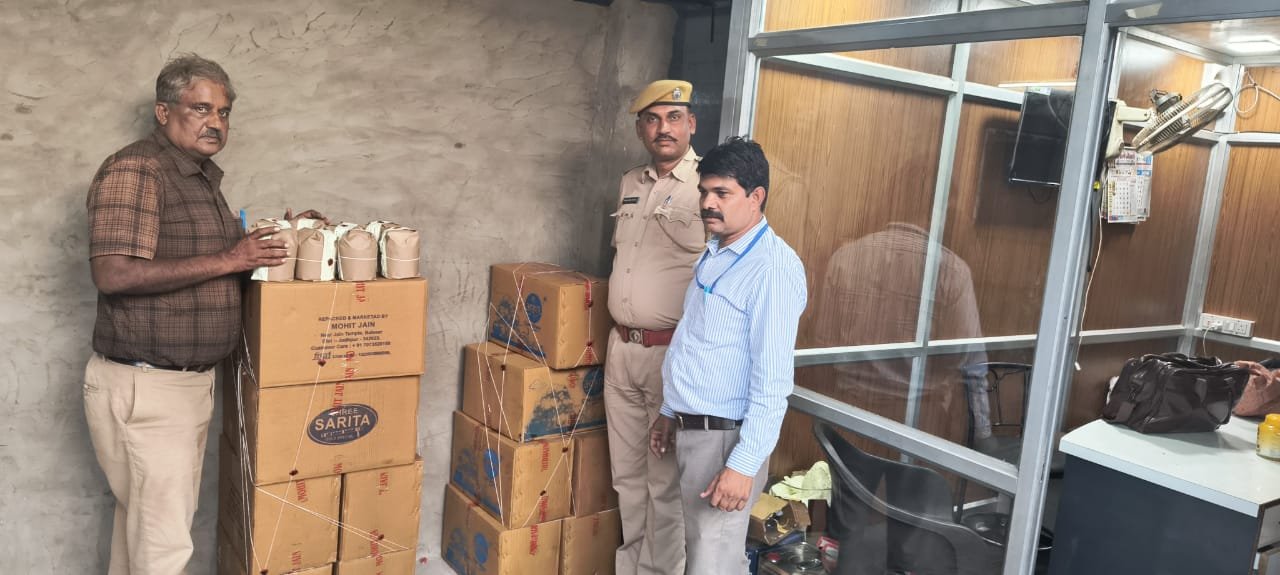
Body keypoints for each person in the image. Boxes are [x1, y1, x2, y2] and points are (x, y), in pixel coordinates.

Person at [84, 54, 321, 575]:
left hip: (180, 386)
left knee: (144, 532)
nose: (215, 122)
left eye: (224, 112)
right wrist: (232, 258)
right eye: (201, 108)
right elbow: (114, 274)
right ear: (163, 112)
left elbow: (211, 259)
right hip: (149, 387)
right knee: (163, 546)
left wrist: (277, 238)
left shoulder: (196, 178)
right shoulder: (137, 169)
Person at [650, 136, 807, 574]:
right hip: (692, 430)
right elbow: (697, 340)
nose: (708, 203)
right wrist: (669, 410)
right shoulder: (717, 251)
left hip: (724, 440)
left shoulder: (772, 269)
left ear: (756, 197)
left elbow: (773, 382)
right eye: (704, 191)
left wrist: (743, 464)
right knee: (696, 555)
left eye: (722, 193)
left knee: (712, 563)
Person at [605, 79, 704, 575]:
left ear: (691, 124)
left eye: (673, 118)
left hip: (671, 355)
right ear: (641, 129)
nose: (663, 128)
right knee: (626, 478)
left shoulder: (708, 186)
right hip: (621, 349)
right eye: (652, 119)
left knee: (664, 484)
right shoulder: (631, 182)